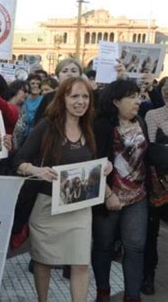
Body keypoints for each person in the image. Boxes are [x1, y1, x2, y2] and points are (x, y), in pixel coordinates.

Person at [13, 77, 112, 302]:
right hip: (47, 207)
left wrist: (104, 167)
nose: (81, 101)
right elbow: (18, 160)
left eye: (85, 96)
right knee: (43, 261)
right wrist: (38, 171)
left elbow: (94, 163)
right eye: (74, 96)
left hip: (79, 208)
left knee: (80, 262)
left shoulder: (90, 128)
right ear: (63, 98)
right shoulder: (46, 127)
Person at [92, 80, 149, 302]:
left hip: (138, 197)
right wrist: (107, 194)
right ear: (116, 101)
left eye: (139, 96)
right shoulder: (102, 125)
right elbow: (94, 162)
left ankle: (132, 297)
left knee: (135, 247)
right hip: (109, 196)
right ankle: (103, 294)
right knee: (104, 246)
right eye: (132, 97)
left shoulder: (141, 122)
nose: (138, 101)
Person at [140, 87, 168, 295]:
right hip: (157, 185)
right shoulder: (153, 114)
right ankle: (148, 275)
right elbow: (151, 149)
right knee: (151, 234)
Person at [12, 74, 44, 150]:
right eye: (32, 83)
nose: (35, 86)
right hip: (22, 136)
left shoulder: (43, 99)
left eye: (38, 84)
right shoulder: (22, 99)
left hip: (37, 135)